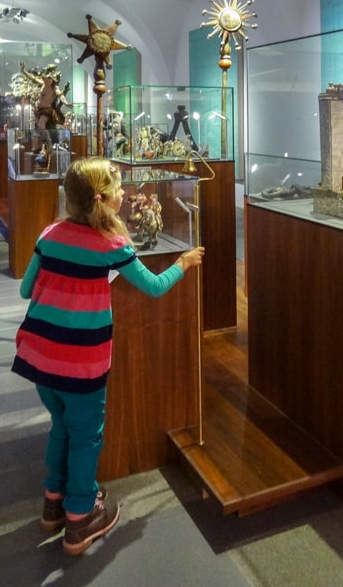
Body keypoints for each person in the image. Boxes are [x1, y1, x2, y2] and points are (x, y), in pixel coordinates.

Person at [11, 157, 205, 556]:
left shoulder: (49, 234)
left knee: (60, 426)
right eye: (119, 189)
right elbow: (152, 287)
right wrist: (182, 264)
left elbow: (25, 290)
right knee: (86, 437)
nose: (124, 194)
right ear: (106, 200)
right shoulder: (110, 244)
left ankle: (53, 501)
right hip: (81, 360)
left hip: (38, 354)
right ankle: (80, 518)